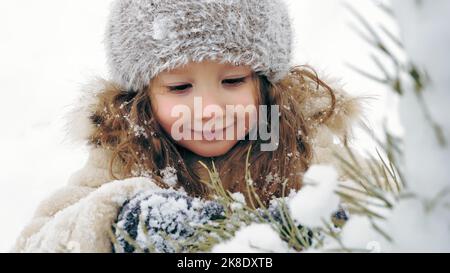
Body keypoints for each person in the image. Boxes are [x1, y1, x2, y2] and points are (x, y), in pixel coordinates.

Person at [12, 0, 363, 252]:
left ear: (267, 84)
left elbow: (390, 219)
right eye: (180, 87)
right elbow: (35, 243)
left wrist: (334, 224)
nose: (209, 110)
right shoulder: (122, 158)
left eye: (233, 80)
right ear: (144, 97)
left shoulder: (311, 152)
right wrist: (119, 221)